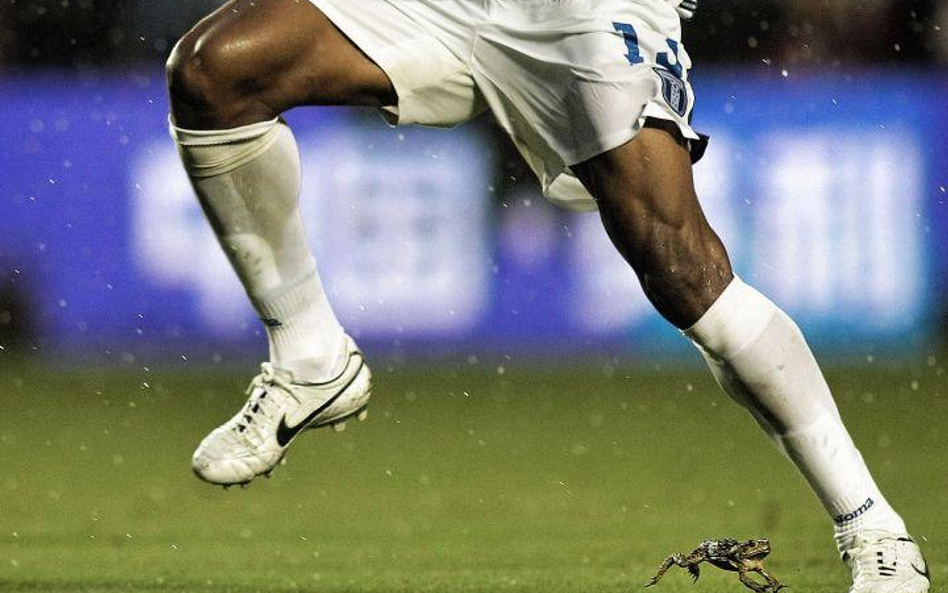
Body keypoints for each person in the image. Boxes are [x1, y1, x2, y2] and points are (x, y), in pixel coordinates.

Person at [164, 1, 930, 591]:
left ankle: (874, 529)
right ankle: (310, 355)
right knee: (214, 71)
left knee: (683, 270)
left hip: (585, 13)